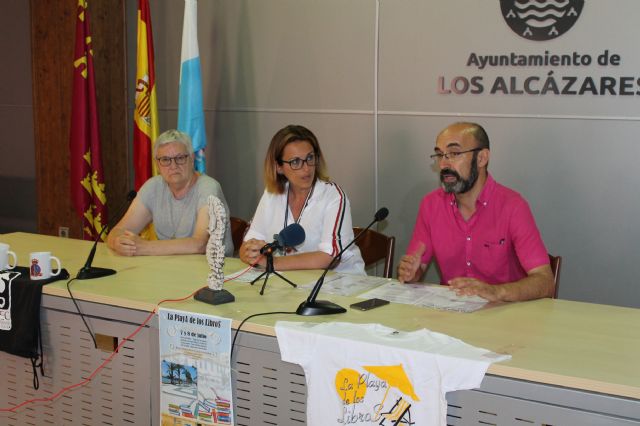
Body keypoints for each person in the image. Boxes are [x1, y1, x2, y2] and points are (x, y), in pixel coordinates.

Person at [397, 122, 554, 302]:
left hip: (504, 316)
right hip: (451, 315)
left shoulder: (513, 206)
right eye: (440, 155)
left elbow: (545, 282)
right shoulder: (431, 205)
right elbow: (417, 269)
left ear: (482, 158)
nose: (443, 164)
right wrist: (411, 272)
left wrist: (496, 292)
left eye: (454, 154)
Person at [240, 124, 365, 274]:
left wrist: (273, 263)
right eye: (295, 162)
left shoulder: (333, 196)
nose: (306, 168)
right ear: (279, 167)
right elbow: (248, 243)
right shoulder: (272, 194)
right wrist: (249, 252)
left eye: (310, 158)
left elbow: (330, 257)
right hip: (293, 285)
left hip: (339, 286)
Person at [107, 129, 233, 256]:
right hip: (170, 268)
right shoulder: (153, 187)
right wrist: (118, 242)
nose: (173, 165)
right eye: (165, 159)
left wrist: (143, 247)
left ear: (192, 158)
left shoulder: (209, 188)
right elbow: (118, 230)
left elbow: (200, 244)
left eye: (180, 158)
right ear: (157, 164)